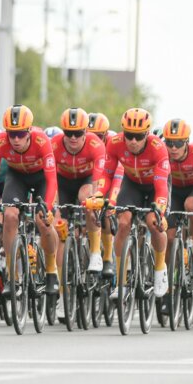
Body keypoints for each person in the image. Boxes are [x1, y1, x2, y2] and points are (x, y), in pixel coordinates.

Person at [0, 104, 60, 297]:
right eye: (12, 134)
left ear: (29, 132)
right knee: (9, 216)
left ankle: (51, 270)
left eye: (20, 134)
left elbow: (52, 180)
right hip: (16, 177)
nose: (16, 139)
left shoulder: (42, 140)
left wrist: (48, 208)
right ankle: (12, 275)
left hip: (41, 177)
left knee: (44, 221)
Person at [95, 108, 170, 297]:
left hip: (155, 186)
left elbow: (161, 186)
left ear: (147, 134)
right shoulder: (114, 143)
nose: (133, 141)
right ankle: (121, 282)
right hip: (132, 184)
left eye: (138, 136)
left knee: (154, 223)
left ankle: (160, 269)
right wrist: (98, 195)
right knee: (123, 223)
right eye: (129, 136)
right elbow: (107, 174)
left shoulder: (158, 147)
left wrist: (160, 208)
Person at [52, 108, 107, 273]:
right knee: (60, 229)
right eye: (69, 133)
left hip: (86, 180)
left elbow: (98, 178)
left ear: (85, 131)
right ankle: (59, 284)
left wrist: (96, 199)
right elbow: (51, 179)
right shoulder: (54, 144)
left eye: (78, 133)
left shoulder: (95, 144)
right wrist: (55, 210)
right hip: (63, 182)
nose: (73, 138)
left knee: (88, 199)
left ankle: (95, 252)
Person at [163, 118, 193, 280]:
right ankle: (169, 277)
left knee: (191, 205)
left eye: (178, 143)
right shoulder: (163, 154)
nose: (173, 148)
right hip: (174, 191)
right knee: (169, 238)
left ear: (187, 142)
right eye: (169, 143)